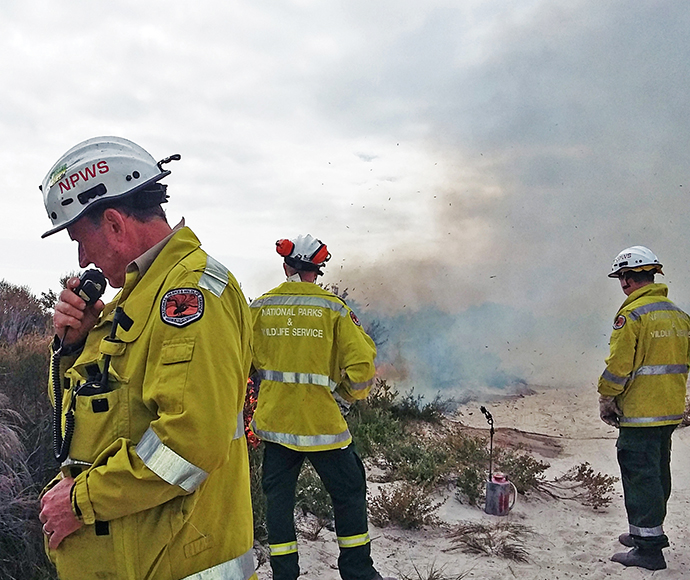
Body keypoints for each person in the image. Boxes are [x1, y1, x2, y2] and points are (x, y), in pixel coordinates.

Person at [37, 137, 257, 580]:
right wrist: (73, 346)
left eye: (81, 240)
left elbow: (187, 445)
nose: (81, 259)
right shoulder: (136, 298)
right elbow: (76, 417)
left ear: (116, 224)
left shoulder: (188, 297)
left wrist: (81, 502)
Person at [249, 234, 395, 580]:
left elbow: (240, 362)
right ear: (317, 269)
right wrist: (346, 397)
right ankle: (358, 571)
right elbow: (362, 365)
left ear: (286, 265)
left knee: (279, 502)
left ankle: (284, 573)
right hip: (323, 427)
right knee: (349, 492)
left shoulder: (260, 308)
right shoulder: (333, 309)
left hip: (275, 425)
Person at [598, 245, 690, 571]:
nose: (622, 284)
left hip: (639, 414)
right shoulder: (679, 315)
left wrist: (606, 396)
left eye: (622, 277)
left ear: (628, 278)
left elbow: (618, 367)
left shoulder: (632, 316)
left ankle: (649, 549)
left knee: (640, 477)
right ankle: (644, 533)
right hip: (669, 412)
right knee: (657, 473)